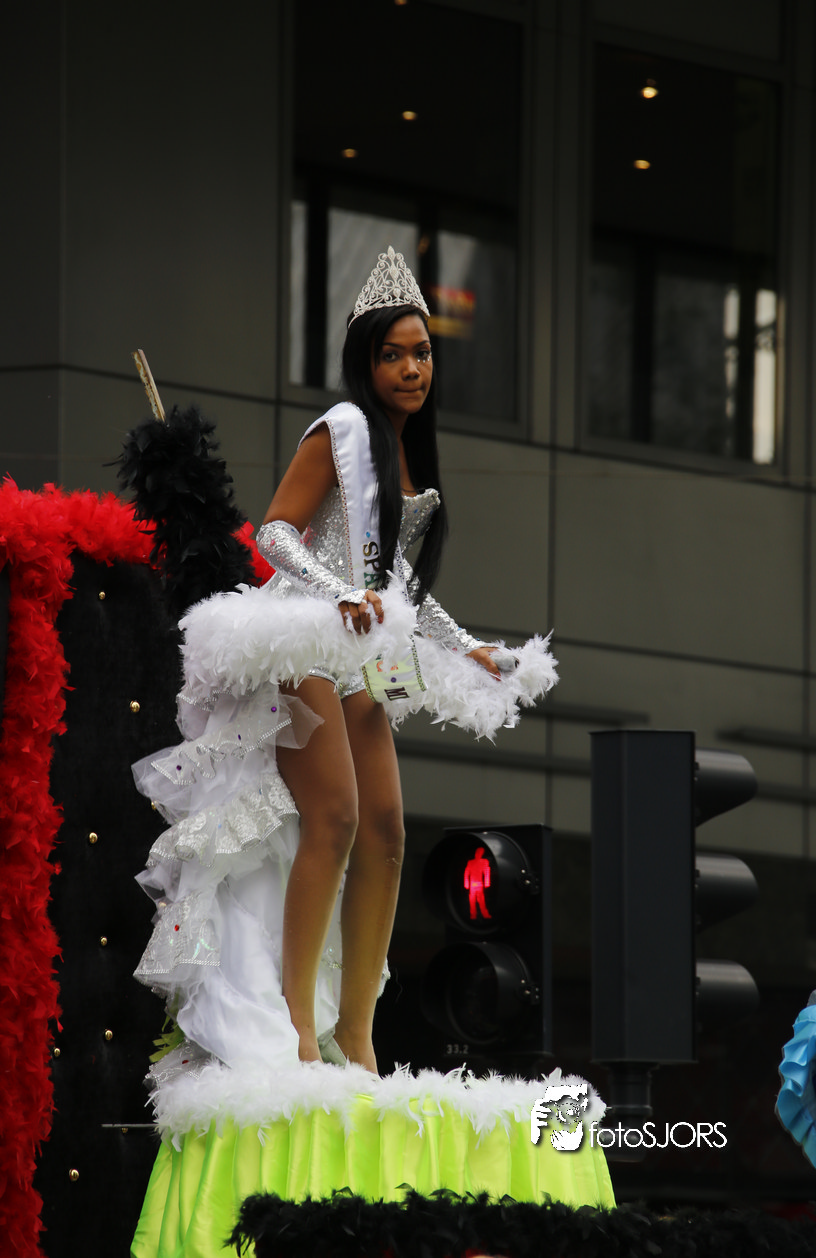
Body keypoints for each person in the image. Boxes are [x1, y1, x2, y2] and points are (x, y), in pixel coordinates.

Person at [131, 247, 557, 1088]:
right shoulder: (342, 432)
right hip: (300, 635)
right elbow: (275, 534)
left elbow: (392, 582)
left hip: (359, 648)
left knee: (388, 832)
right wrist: (337, 594)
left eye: (422, 353)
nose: (411, 369)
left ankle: (356, 1032)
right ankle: (296, 1025)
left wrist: (466, 645)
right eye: (393, 354)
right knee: (333, 818)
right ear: (366, 362)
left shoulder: (406, 453)